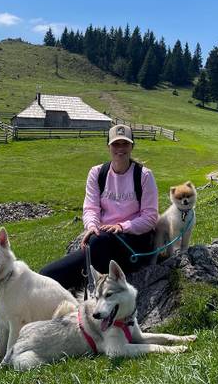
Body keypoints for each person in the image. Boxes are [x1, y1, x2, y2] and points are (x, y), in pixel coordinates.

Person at [40, 124, 158, 291]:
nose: (120, 148)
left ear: (132, 146)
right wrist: (92, 227)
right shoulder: (97, 173)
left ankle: (61, 284)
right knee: (49, 273)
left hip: (133, 243)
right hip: (102, 241)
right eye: (116, 144)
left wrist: (121, 227)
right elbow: (90, 208)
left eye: (125, 144)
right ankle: (49, 283)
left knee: (97, 243)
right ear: (108, 146)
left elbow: (150, 217)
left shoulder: (144, 175)